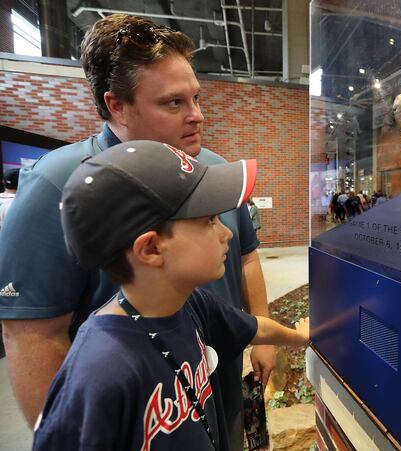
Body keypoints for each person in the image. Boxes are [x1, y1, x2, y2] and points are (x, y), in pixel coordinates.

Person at [0, 14, 275, 448]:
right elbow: (32, 333)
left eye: (196, 99)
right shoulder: (59, 185)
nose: (197, 117)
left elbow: (246, 255)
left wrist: (263, 334)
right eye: (173, 103)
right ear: (117, 105)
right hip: (143, 422)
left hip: (215, 398)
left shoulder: (219, 173)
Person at [32, 140, 309, 450]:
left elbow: (255, 327)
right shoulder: (98, 373)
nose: (227, 233)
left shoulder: (192, 305)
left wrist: (299, 337)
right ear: (151, 248)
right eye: (209, 221)